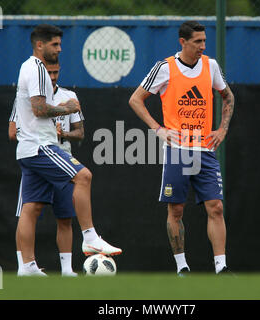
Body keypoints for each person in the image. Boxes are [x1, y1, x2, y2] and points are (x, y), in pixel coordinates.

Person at [14, 24, 121, 276]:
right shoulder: (38, 68)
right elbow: (40, 110)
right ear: (39, 45)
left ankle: (26, 266)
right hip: (40, 145)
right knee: (83, 176)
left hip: (28, 149)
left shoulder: (27, 67)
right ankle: (90, 237)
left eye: (60, 44)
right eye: (54, 44)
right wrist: (68, 108)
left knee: (31, 208)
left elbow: (39, 110)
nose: (59, 49)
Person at [129, 21, 234, 275]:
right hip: (177, 149)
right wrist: (158, 129)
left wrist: (222, 129)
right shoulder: (164, 68)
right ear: (182, 42)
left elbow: (228, 95)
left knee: (216, 207)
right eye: (198, 41)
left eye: (205, 41)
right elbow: (135, 99)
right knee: (176, 209)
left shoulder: (211, 66)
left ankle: (221, 267)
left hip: (205, 150)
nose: (203, 46)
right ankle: (182, 267)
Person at [9, 61, 85, 277]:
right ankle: (23, 266)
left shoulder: (69, 96)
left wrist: (62, 134)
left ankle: (67, 270)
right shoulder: (24, 97)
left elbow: (80, 133)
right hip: (37, 156)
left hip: (63, 160)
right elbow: (12, 132)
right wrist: (39, 132)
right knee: (29, 211)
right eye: (48, 72)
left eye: (55, 72)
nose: (51, 76)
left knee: (65, 217)